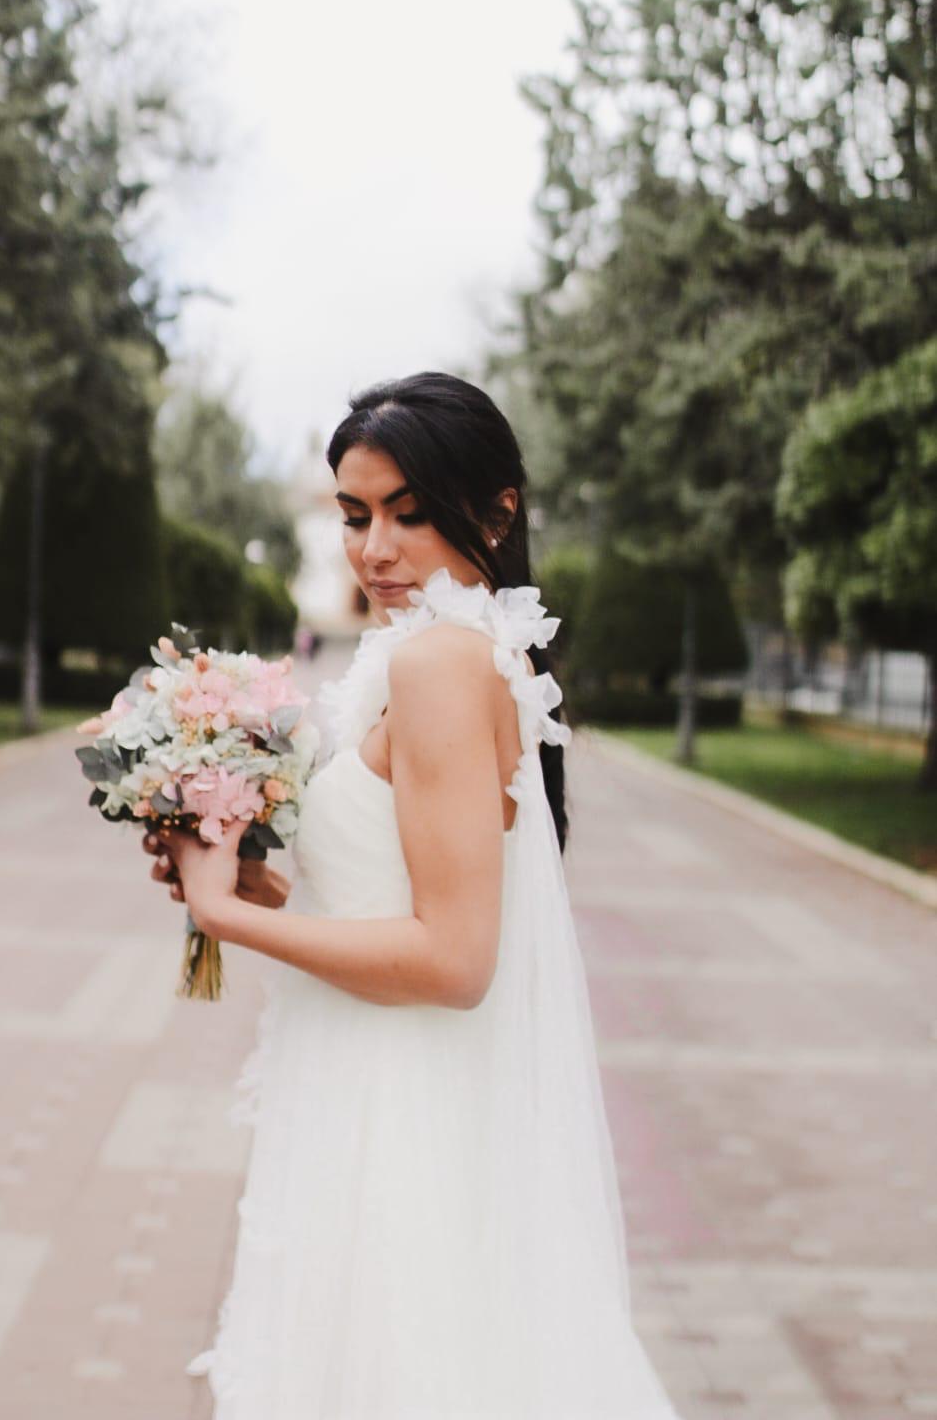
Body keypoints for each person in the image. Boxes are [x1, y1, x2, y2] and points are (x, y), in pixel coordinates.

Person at [146, 371, 682, 1417]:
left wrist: (228, 916)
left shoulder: (441, 663)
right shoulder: (468, 651)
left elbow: (452, 960)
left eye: (408, 512)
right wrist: (253, 876)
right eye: (354, 516)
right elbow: (403, 886)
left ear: (495, 511)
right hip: (390, 1087)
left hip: (395, 1114)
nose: (373, 548)